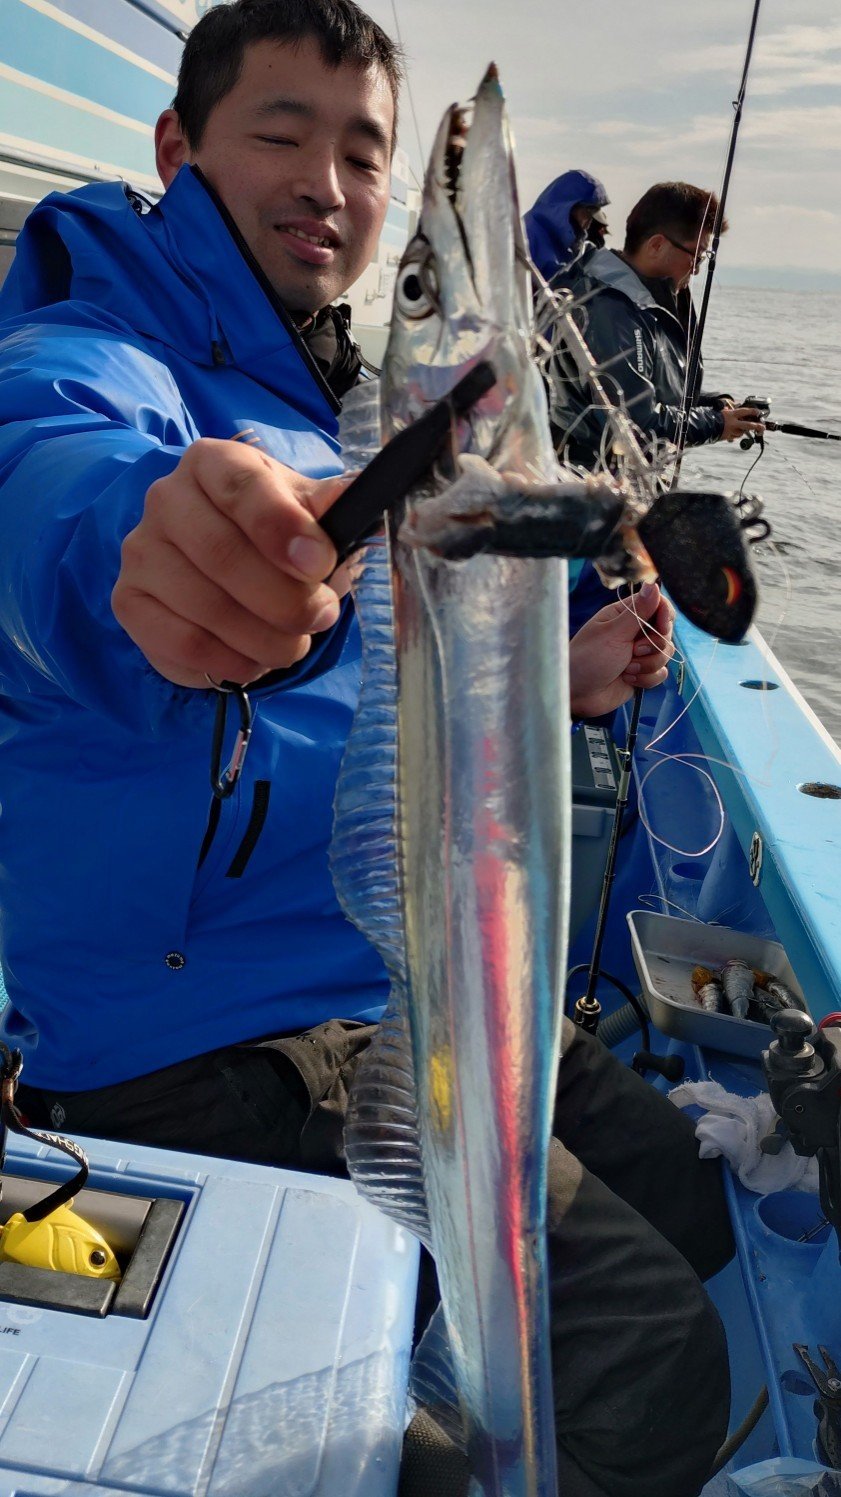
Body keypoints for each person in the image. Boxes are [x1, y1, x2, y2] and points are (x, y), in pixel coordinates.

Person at [0, 6, 732, 1494]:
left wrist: (564, 679)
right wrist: (154, 543)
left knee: (687, 1195)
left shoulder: (335, 389)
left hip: (391, 972)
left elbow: (383, 672)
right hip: (205, 1042)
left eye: (360, 152)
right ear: (177, 148)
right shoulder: (88, 356)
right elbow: (59, 492)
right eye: (280, 132)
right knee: (656, 1366)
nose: (325, 183)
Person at [543, 179, 764, 470]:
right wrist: (716, 424)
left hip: (621, 476)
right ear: (657, 245)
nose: (698, 269)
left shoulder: (641, 299)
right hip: (588, 478)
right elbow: (636, 425)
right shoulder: (611, 308)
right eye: (697, 256)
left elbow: (650, 392)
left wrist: (716, 406)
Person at [525, 169, 610, 282]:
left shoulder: (567, 244)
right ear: (568, 207)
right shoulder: (528, 237)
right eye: (589, 211)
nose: (590, 220)